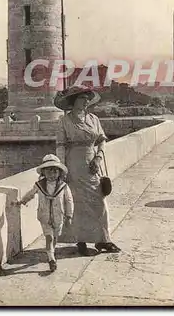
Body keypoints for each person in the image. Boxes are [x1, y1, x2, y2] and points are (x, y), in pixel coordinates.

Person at [55, 86, 121, 256]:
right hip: (73, 164)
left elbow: (102, 140)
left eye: (87, 99)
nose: (86, 102)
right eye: (82, 98)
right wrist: (62, 168)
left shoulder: (93, 119)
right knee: (77, 204)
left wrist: (98, 158)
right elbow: (60, 146)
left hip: (92, 163)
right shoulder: (64, 121)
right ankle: (81, 241)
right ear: (73, 101)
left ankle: (103, 240)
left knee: (99, 201)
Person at [16, 154, 74, 272]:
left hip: (59, 216)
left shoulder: (63, 186)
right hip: (44, 216)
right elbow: (31, 193)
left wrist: (69, 215)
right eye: (48, 171)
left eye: (55, 172)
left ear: (59, 173)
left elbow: (69, 200)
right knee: (49, 237)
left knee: (56, 236)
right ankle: (51, 258)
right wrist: (22, 201)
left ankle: (51, 251)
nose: (52, 174)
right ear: (43, 172)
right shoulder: (40, 185)